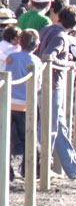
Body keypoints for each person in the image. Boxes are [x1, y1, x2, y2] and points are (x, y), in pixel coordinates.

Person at [34, 5, 76, 179]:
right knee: (50, 128)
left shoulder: (45, 30)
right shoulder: (61, 37)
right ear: (74, 24)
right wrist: (69, 64)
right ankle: (44, 167)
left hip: (41, 84)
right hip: (52, 85)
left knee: (59, 127)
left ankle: (72, 168)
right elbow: (49, 57)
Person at [5, 29, 42, 180]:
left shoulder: (11, 58)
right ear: (36, 46)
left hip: (9, 102)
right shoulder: (36, 61)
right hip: (26, 104)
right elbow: (38, 85)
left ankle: (7, 171)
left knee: (7, 138)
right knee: (29, 138)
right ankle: (29, 169)